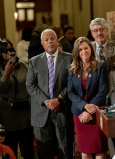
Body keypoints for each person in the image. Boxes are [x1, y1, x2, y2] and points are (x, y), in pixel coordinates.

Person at [26, 29, 73, 159]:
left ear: (57, 40)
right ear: (42, 43)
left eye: (52, 38)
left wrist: (59, 99)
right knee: (44, 153)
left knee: (65, 152)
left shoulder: (69, 58)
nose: (50, 42)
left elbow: (73, 83)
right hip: (42, 114)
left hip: (63, 111)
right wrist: (47, 101)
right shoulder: (34, 61)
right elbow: (30, 85)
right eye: (46, 40)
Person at [68, 37, 108, 159]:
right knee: (85, 150)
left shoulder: (100, 66)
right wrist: (85, 107)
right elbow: (70, 92)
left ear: (91, 49)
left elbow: (103, 91)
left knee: (99, 148)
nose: (84, 51)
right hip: (79, 113)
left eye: (86, 48)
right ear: (76, 52)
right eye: (80, 49)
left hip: (97, 112)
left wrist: (90, 109)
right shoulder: (72, 68)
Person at [0, 39, 34, 158]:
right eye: (5, 51)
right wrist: (6, 74)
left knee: (28, 148)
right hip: (8, 114)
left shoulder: (22, 65)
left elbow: (30, 83)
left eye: (11, 50)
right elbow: (1, 89)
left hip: (25, 113)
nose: (9, 53)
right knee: (11, 148)